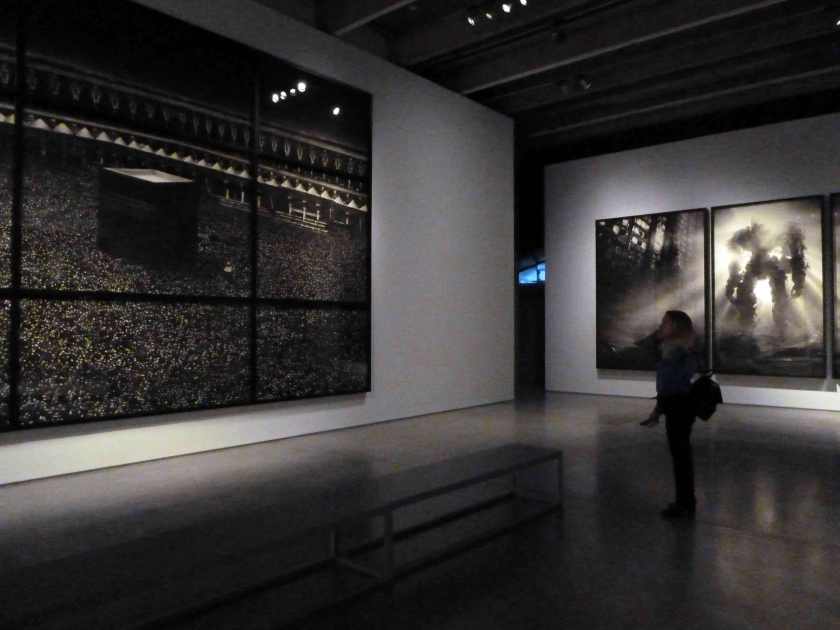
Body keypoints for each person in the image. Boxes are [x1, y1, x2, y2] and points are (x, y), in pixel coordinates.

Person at [642, 310, 699, 519]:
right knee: (680, 457)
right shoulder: (672, 351)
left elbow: (672, 385)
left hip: (680, 407)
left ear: (675, 327)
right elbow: (666, 386)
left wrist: (659, 409)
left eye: (664, 323)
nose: (661, 326)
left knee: (681, 458)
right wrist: (658, 410)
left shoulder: (679, 353)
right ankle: (684, 502)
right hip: (677, 406)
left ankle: (685, 504)